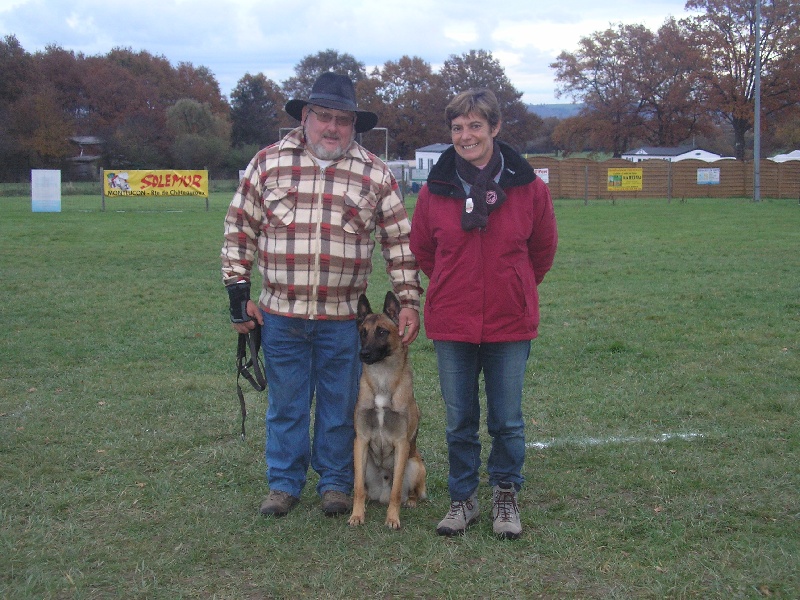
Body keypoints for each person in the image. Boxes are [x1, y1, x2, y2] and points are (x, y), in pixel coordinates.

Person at [221, 72, 421, 518]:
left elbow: (399, 243)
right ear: (305, 116)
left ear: (354, 125)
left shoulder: (375, 172)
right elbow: (240, 228)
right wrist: (238, 292)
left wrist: (408, 299)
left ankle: (334, 483)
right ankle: (283, 483)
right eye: (323, 117)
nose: (332, 127)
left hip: (343, 316)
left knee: (338, 405)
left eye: (342, 120)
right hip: (280, 313)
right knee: (286, 404)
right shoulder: (267, 163)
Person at [409, 88, 557, 539]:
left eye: (475, 126)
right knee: (459, 420)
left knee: (507, 418)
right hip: (453, 322)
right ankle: (463, 498)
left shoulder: (528, 187)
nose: (466, 135)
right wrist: (457, 287)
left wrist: (511, 286)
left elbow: (542, 250)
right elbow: (423, 250)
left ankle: (506, 494)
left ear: (494, 128)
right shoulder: (435, 190)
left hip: (509, 322)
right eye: (457, 128)